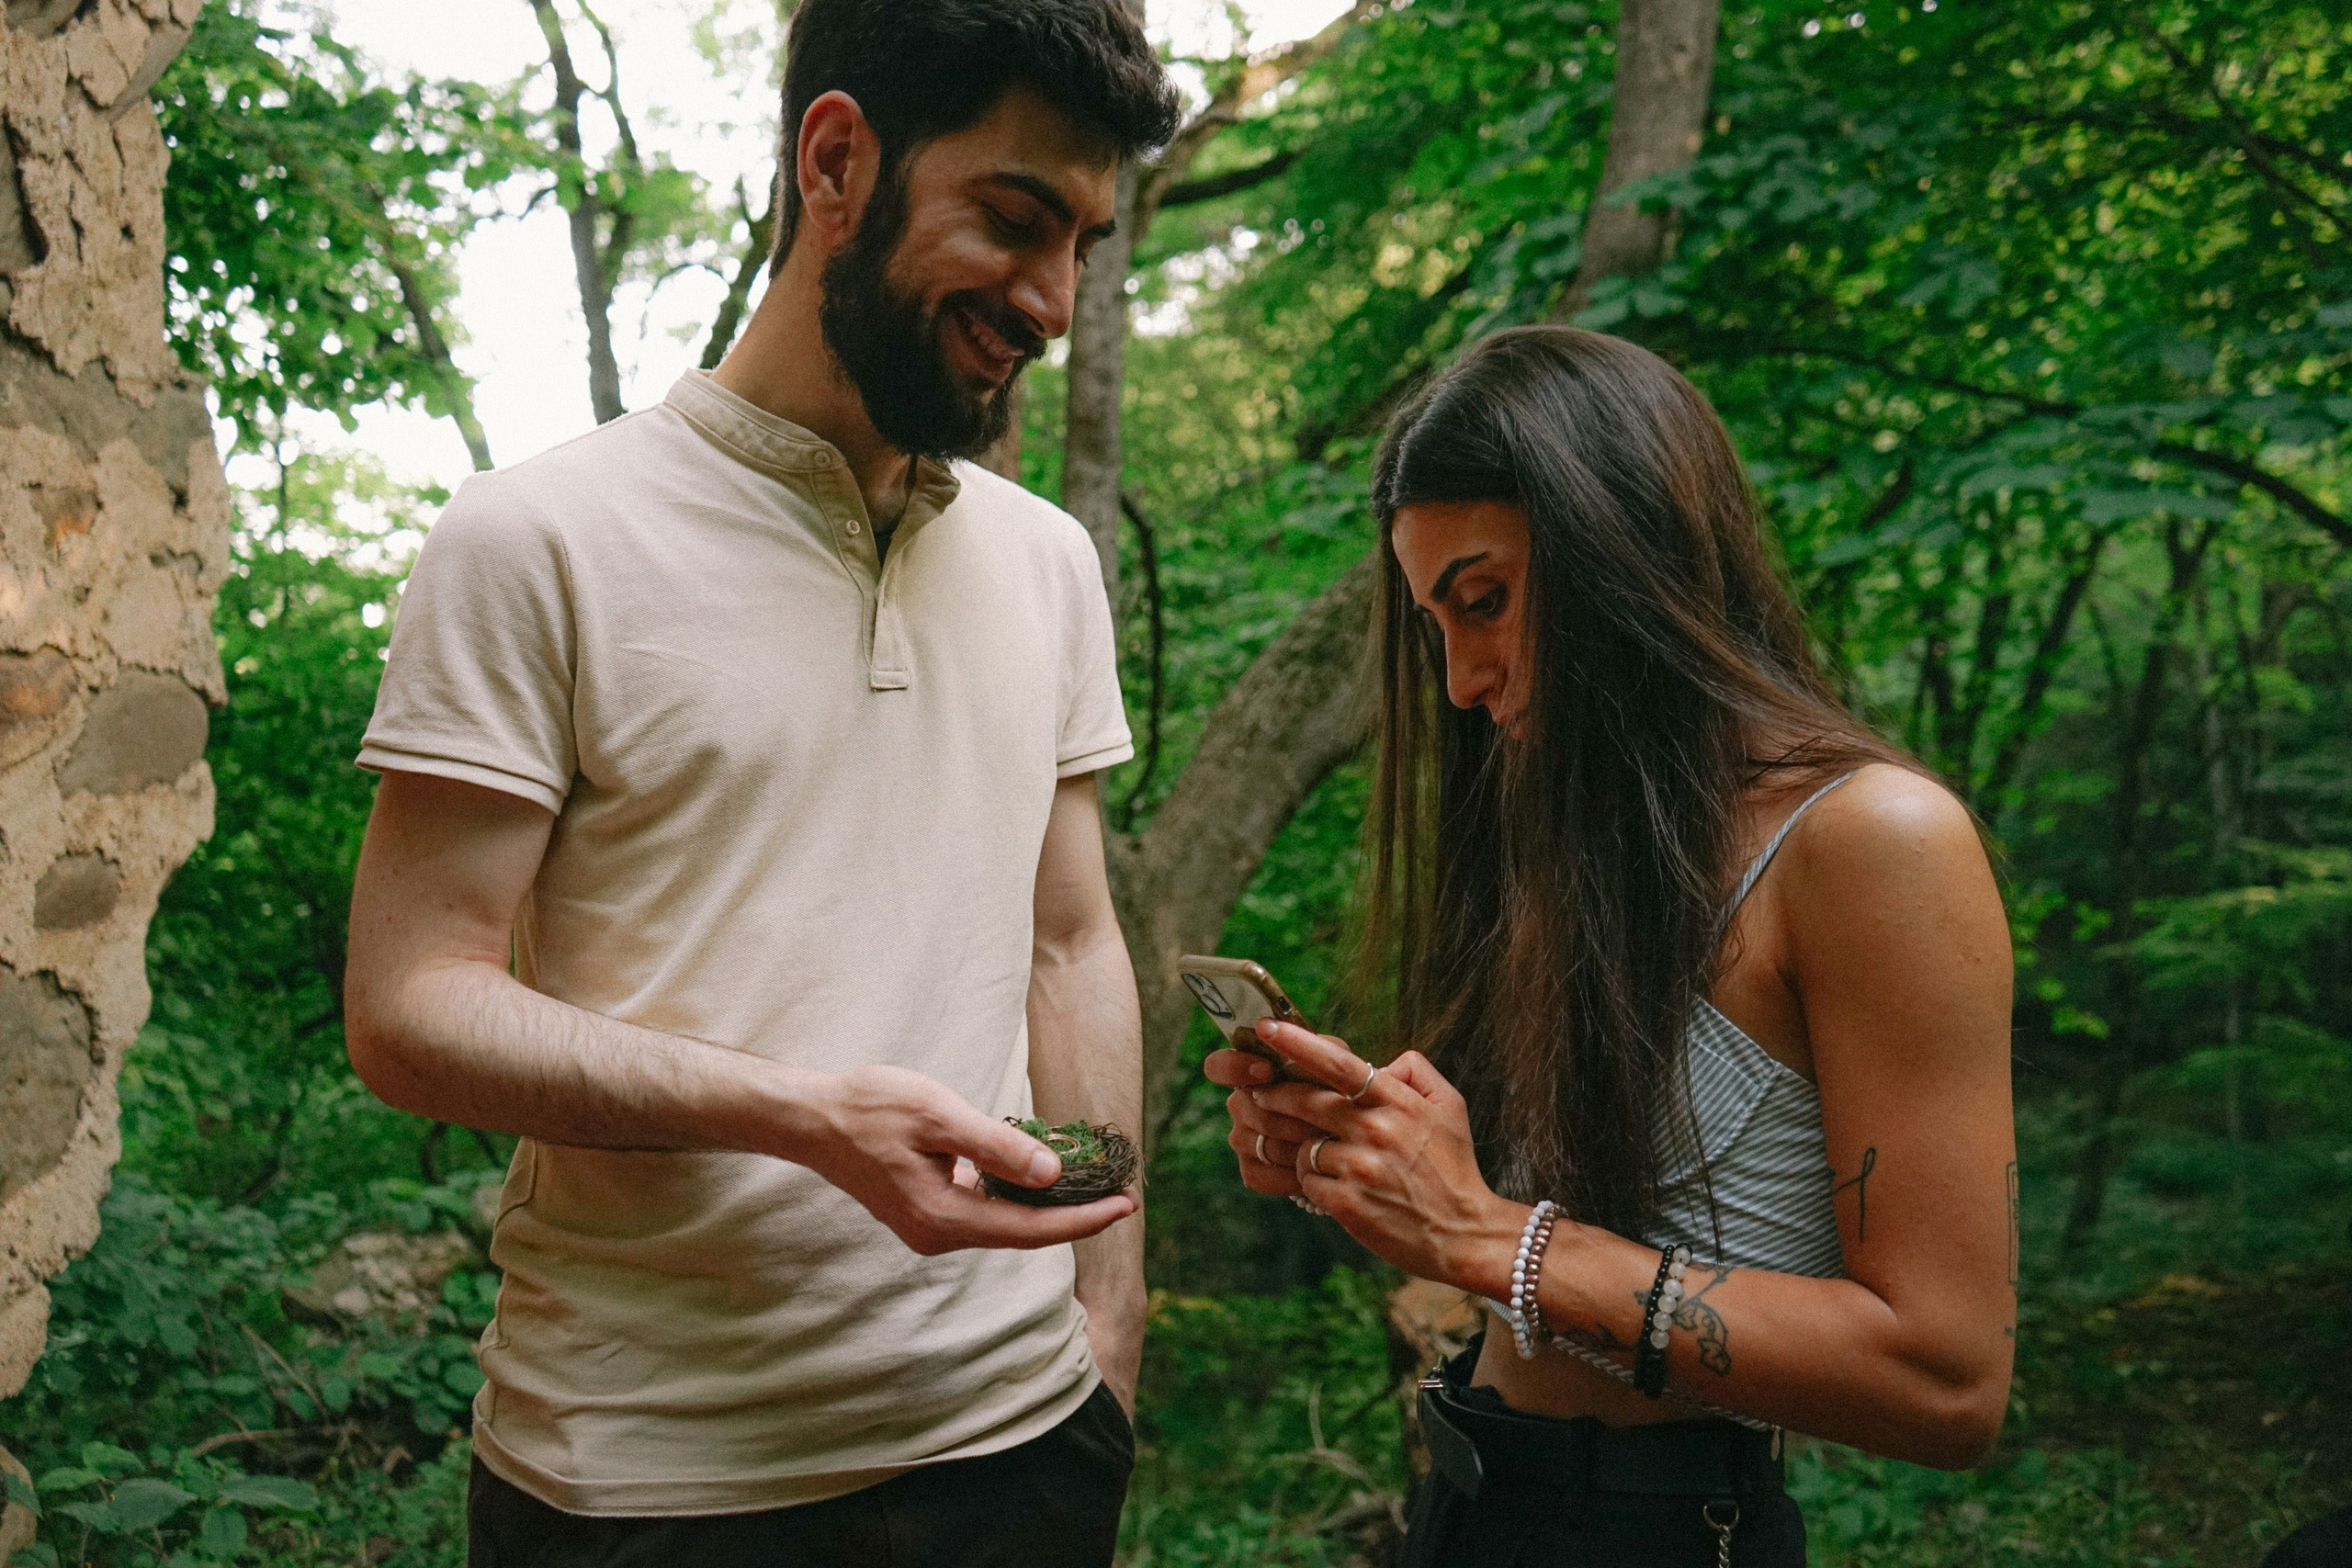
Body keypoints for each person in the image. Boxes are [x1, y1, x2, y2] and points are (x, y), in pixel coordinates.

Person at [340, 4, 1182, 1563]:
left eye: (1083, 241)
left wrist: (1106, 1328)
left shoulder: (1052, 566)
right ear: (838, 159)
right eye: (1012, 220)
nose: (1053, 298)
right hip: (648, 1481)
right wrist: (804, 1118)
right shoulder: (538, 540)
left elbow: (1072, 941)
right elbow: (408, 1005)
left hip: (1025, 1453)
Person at [1208, 326, 2018, 1565]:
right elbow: (1517, 1237)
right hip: (1472, 1498)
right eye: (1437, 626)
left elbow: (1948, 1381)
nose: (1463, 679)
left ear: (1624, 545)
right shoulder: (1575, 832)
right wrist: (1378, 1169)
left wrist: (1490, 1235)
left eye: (1485, 601)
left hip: (1663, 1529)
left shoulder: (1872, 841)